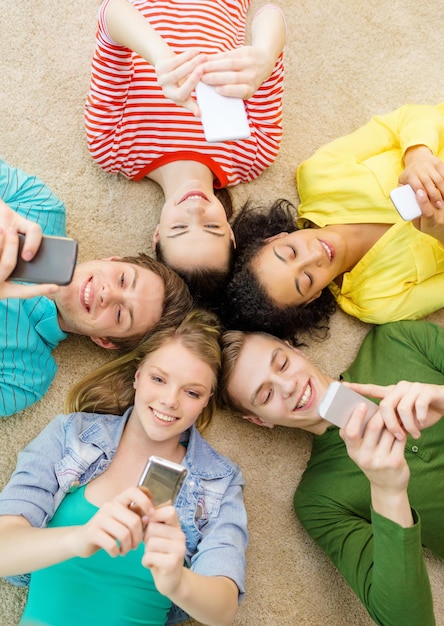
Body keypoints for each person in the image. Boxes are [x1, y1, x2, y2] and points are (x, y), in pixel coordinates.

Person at [0, 309, 248, 626]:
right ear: (137, 374)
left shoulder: (220, 482)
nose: (170, 400)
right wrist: (79, 538)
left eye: (192, 392)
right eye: (159, 379)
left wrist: (177, 581)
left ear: (206, 400)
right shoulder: (70, 435)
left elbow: (223, 610)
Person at [218, 319, 444, 626]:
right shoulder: (318, 500)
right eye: (266, 395)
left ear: (294, 349)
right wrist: (387, 491)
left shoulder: (397, 340)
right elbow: (408, 621)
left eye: (282, 364)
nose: (288, 386)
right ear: (259, 420)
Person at [84, 0, 286, 307]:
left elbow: (111, 14)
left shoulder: (113, 147)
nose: (195, 211)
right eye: (212, 227)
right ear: (231, 233)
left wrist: (159, 56)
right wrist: (264, 56)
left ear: (157, 234)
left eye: (179, 228)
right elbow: (270, 14)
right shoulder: (252, 155)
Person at [222, 103, 444, 340]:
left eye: (292, 251)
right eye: (306, 279)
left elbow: (409, 117)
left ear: (277, 237)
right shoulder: (376, 301)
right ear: (313, 297)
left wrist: (418, 157)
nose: (315, 256)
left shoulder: (320, 176)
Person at [0, 158, 192, 417]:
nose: (108, 293)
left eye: (120, 314)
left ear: (104, 341)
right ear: (113, 260)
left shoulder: (24, 378)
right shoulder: (40, 206)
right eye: (123, 279)